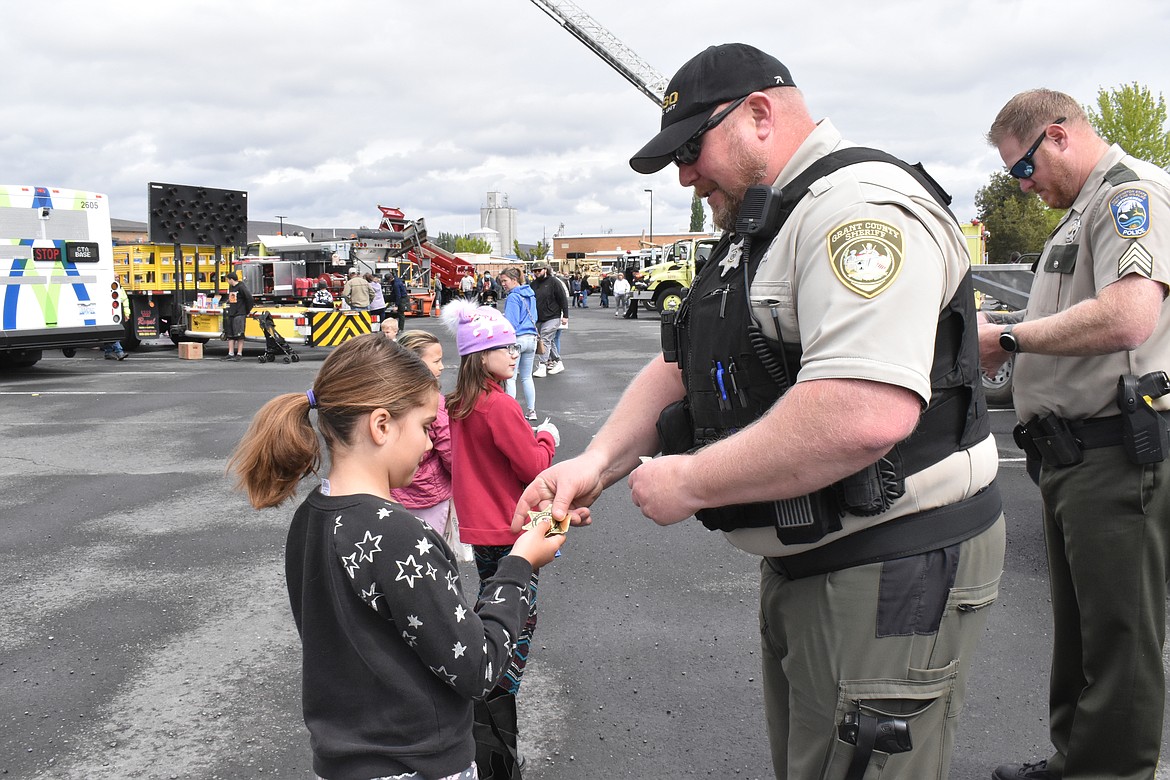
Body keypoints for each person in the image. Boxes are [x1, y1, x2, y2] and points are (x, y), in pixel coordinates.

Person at [513, 43, 1004, 780]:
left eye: (689, 148)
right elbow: (684, 363)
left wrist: (692, 482)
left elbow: (864, 409)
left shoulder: (858, 213)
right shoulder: (764, 224)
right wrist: (595, 464)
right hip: (819, 564)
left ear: (760, 115)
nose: (683, 174)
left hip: (890, 565)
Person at [227, 333, 564, 780]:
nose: (430, 445)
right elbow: (477, 667)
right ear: (381, 425)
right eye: (426, 427)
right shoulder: (399, 534)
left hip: (343, 763)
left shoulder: (310, 518)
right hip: (420, 763)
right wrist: (521, 562)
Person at [979, 91, 1170, 780]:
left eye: (1023, 170)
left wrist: (1005, 337)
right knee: (1084, 627)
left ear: (1057, 136)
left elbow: (1127, 318)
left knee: (1119, 630)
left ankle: (1112, 772)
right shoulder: (1081, 214)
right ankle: (1080, 758)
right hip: (1072, 452)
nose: (1023, 187)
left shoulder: (1130, 195)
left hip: (1117, 447)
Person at [440, 300, 560, 763]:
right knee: (516, 617)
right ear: (480, 355)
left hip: (480, 524)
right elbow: (532, 466)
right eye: (503, 347)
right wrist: (547, 437)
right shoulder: (501, 406)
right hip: (513, 524)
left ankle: (483, 706)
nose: (514, 354)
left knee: (491, 600)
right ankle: (488, 713)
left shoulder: (460, 404)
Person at [390, 330, 453, 535]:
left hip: (394, 492)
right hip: (429, 495)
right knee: (432, 550)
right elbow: (449, 450)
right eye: (436, 361)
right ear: (415, 362)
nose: (442, 367)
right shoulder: (433, 401)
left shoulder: (388, 398)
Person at [498, 267, 540, 420]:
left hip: (517, 340)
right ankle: (531, 410)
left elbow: (511, 323)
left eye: (505, 281)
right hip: (532, 338)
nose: (503, 284)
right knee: (527, 377)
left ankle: (511, 414)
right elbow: (534, 316)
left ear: (514, 280)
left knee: (511, 378)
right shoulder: (531, 295)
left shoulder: (513, 297)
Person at [530, 262, 568, 377]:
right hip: (539, 318)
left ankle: (542, 365)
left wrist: (565, 316)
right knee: (548, 341)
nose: (537, 273)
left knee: (545, 338)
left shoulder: (554, 282)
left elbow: (562, 299)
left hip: (553, 316)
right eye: (535, 271)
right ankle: (558, 361)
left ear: (545, 270)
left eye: (539, 270)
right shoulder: (533, 284)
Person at [221, 271, 253, 361]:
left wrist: (246, 310)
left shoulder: (241, 287)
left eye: (227, 279)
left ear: (231, 279)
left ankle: (239, 353)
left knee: (239, 334)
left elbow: (249, 298)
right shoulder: (231, 287)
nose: (227, 281)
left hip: (239, 313)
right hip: (231, 312)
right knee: (230, 334)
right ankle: (230, 353)